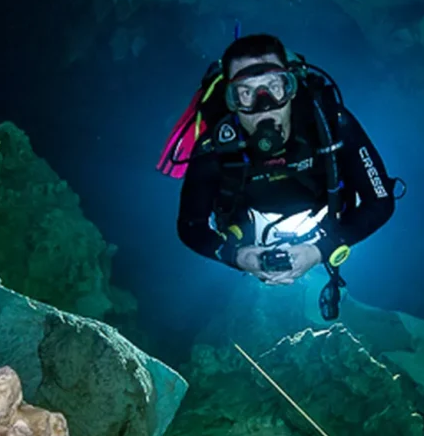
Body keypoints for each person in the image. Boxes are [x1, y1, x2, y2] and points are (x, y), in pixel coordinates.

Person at [168, 33, 396, 315]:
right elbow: (191, 227)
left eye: (274, 86)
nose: (264, 105)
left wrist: (319, 250)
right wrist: (238, 256)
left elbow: (381, 202)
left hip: (325, 220)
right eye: (246, 92)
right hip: (250, 225)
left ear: (292, 87)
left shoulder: (332, 125)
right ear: (231, 100)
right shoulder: (214, 149)